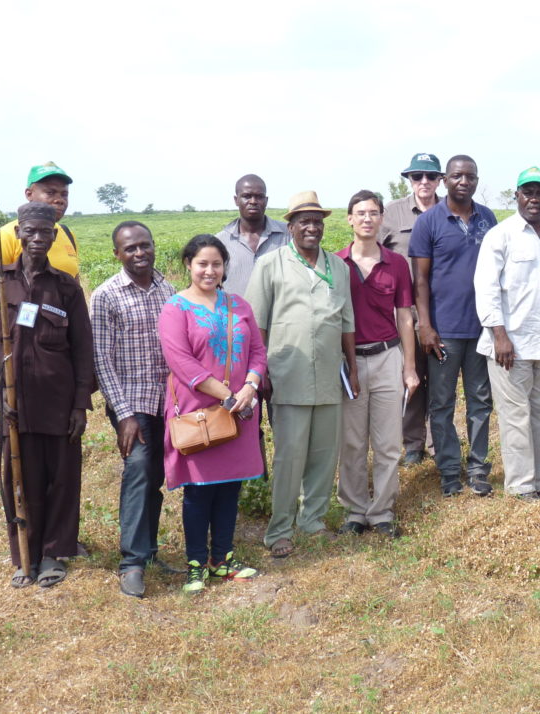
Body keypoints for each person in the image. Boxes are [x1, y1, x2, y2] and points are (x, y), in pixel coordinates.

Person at [0, 201, 93, 588]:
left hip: (58, 401)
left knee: (61, 477)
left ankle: (54, 553)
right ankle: (25, 552)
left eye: (45, 232)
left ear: (54, 236)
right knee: (19, 478)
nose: (38, 238)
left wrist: (79, 404)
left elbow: (82, 350)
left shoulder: (66, 287)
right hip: (14, 404)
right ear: (19, 234)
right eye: (31, 231)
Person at [246, 191, 358, 557]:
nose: (312, 227)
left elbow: (346, 323)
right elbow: (255, 324)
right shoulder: (270, 264)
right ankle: (280, 529)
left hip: (329, 373)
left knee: (325, 454)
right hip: (287, 373)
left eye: (318, 221)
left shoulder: (337, 267)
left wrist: (352, 368)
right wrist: (257, 373)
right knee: (289, 455)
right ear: (291, 226)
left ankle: (313, 521)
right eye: (304, 221)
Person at [158, 234, 267, 594]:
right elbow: (181, 362)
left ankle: (222, 558)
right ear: (188, 265)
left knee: (229, 486)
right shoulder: (176, 308)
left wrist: (250, 387)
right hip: (199, 412)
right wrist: (228, 395)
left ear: (224, 267)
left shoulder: (239, 305)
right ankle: (195, 564)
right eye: (202, 263)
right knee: (199, 489)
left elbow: (258, 353)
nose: (209, 270)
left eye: (216, 264)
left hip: (240, 410)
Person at [91, 221, 179, 598]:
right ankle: (131, 564)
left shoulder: (169, 289)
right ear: (117, 254)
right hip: (133, 402)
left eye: (145, 245)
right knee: (140, 468)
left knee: (157, 472)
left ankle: (149, 550)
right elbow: (101, 360)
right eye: (130, 248)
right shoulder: (106, 296)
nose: (139, 253)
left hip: (168, 402)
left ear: (154, 246)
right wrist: (123, 414)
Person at [474, 167, 540, 499]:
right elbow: (486, 289)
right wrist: (499, 335)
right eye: (528, 192)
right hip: (510, 344)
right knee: (515, 417)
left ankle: (539, 483)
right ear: (517, 196)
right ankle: (521, 485)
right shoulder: (501, 235)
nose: (534, 198)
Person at [410, 155, 497, 497]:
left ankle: (477, 469)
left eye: (470, 176)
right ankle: (448, 470)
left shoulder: (487, 218)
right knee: (442, 404)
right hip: (443, 331)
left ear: (477, 180)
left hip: (481, 329)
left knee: (480, 401)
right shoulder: (429, 222)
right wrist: (425, 326)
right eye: (457, 176)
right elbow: (420, 280)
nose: (464, 181)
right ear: (445, 180)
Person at [335, 190, 419, 538]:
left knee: (387, 441)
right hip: (350, 361)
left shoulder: (396, 263)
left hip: (387, 357)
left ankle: (381, 511)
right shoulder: (335, 264)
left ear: (382, 218)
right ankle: (355, 510)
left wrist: (409, 368)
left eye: (373, 212)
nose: (367, 218)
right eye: (360, 213)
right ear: (350, 219)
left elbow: (404, 318)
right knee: (352, 441)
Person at [379, 152, 443, 465]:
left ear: (440, 179)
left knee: (441, 378)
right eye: (417, 176)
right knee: (411, 375)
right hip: (405, 313)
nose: (424, 182)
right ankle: (414, 443)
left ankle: (438, 442)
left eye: (430, 176)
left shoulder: (450, 211)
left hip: (443, 312)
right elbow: (374, 255)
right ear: (409, 179)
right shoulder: (392, 213)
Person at [0, 163, 79, 277]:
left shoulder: (67, 234)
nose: (59, 200)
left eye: (64, 194)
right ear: (29, 194)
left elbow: (75, 281)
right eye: (50, 193)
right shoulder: (6, 236)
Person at [216, 174, 289, 297]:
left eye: (259, 197)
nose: (253, 201)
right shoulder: (220, 241)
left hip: (278, 315)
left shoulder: (288, 234)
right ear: (236, 200)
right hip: (235, 314)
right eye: (246, 196)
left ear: (266, 201)